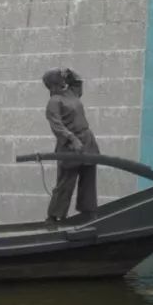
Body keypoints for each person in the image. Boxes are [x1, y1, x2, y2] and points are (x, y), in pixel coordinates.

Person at [42, 67, 98, 224]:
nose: (63, 79)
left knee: (88, 178)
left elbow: (78, 82)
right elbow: (57, 126)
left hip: (87, 141)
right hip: (69, 145)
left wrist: (70, 72)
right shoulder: (54, 102)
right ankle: (54, 216)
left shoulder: (71, 93)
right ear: (53, 83)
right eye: (60, 77)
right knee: (66, 182)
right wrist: (72, 139)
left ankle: (89, 213)